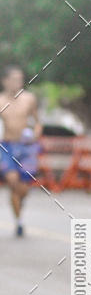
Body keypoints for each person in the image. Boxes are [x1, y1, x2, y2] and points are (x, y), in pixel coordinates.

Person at [0, 66, 42, 237]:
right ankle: (19, 222)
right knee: (12, 180)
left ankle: (18, 204)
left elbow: (37, 121)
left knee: (23, 189)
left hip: (25, 147)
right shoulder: (1, 100)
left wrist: (36, 134)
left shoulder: (29, 99)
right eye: (14, 79)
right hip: (6, 146)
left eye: (20, 79)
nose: (17, 82)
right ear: (5, 81)